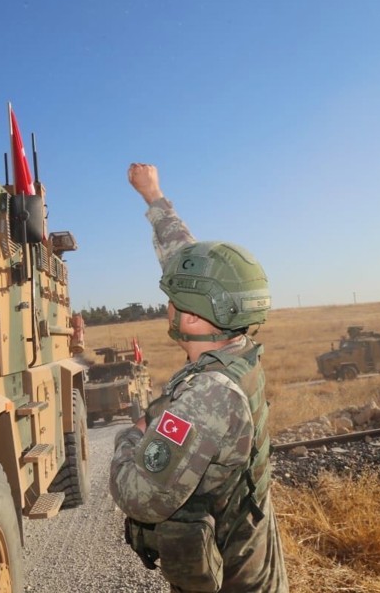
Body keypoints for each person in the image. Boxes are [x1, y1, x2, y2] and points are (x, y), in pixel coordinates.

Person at [110, 163, 288, 592]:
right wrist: (154, 198)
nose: (166, 306)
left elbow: (140, 496)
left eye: (172, 298)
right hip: (252, 559)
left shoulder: (207, 395)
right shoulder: (236, 350)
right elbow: (193, 266)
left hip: (232, 579)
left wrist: (131, 437)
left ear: (190, 316)